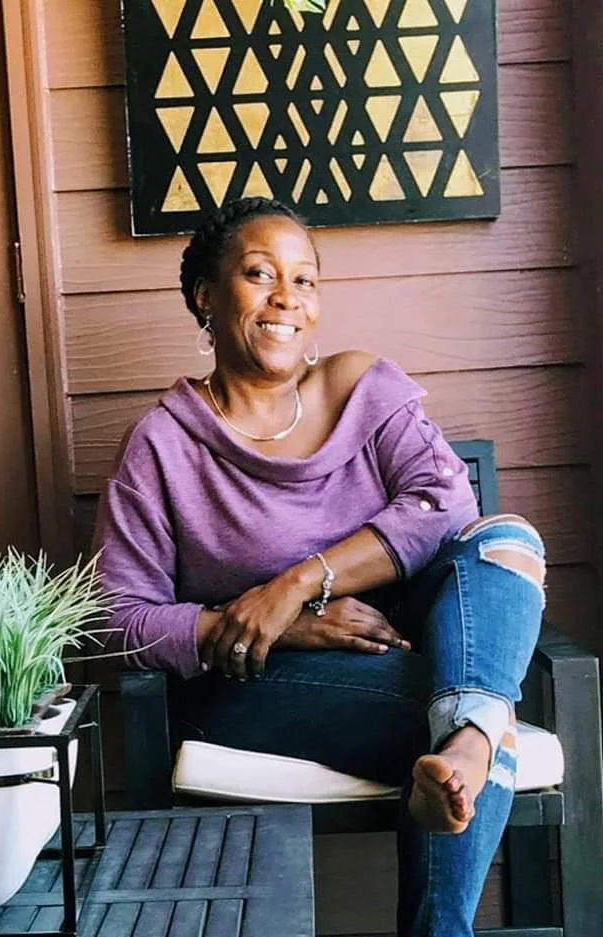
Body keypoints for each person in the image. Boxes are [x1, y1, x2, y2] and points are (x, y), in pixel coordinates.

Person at [94, 196, 546, 936]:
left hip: (413, 639)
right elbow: (118, 614)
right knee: (475, 713)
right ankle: (472, 732)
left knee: (507, 539)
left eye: (305, 280)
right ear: (206, 294)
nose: (286, 298)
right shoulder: (162, 445)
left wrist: (298, 582)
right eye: (259, 273)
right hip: (256, 683)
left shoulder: (361, 387)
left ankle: (467, 726)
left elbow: (445, 502)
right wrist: (285, 626)